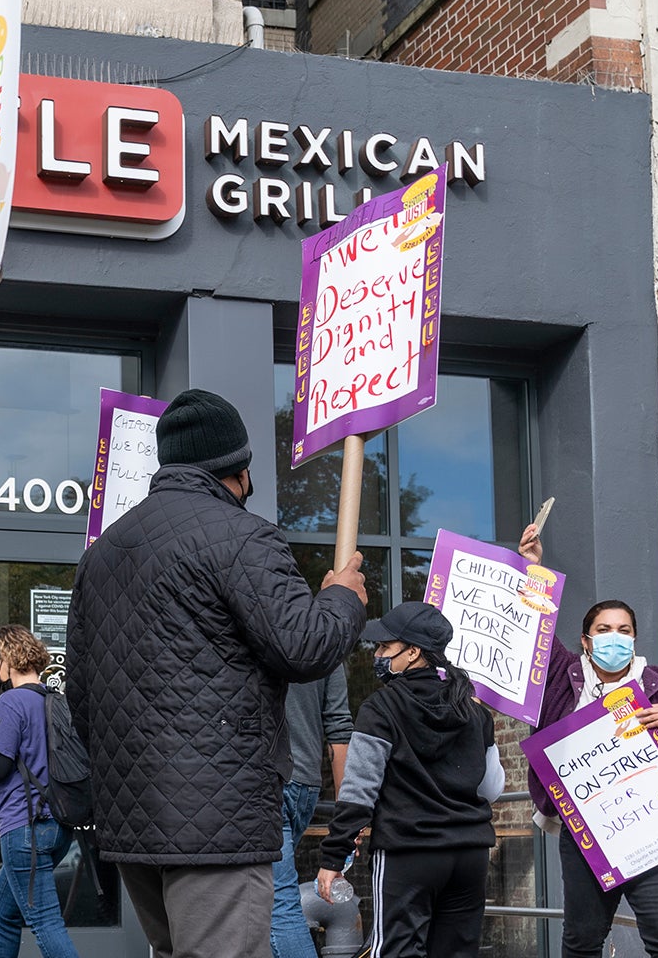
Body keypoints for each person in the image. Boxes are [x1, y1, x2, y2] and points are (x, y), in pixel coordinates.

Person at [67, 388, 366, 958]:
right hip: (219, 822)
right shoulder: (243, 537)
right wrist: (341, 599)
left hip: (134, 820)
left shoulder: (101, 554)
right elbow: (304, 646)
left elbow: (80, 695)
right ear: (242, 468)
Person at [533, 593, 658, 958]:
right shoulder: (562, 675)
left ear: (634, 639)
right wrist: (533, 569)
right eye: (603, 629)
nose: (614, 637)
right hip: (585, 835)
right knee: (581, 941)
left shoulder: (657, 682)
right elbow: (536, 627)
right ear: (586, 640)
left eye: (623, 630)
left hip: (653, 830)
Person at [315, 602, 505, 958]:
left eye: (385, 647)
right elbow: (490, 789)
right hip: (469, 853)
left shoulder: (382, 707)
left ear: (413, 652)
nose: (377, 654)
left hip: (409, 851)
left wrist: (333, 858)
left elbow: (359, 791)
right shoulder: (474, 710)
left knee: (396, 951)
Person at [0, 627, 81, 958]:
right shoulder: (56, 700)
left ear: (7, 658)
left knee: (45, 922)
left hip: (25, 828)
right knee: (2, 913)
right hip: (58, 826)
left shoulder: (10, 702)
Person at [273, 666, 351, 958]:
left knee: (277, 906)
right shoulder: (325, 631)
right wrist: (345, 817)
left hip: (271, 779)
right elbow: (339, 727)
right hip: (305, 782)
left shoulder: (258, 622)